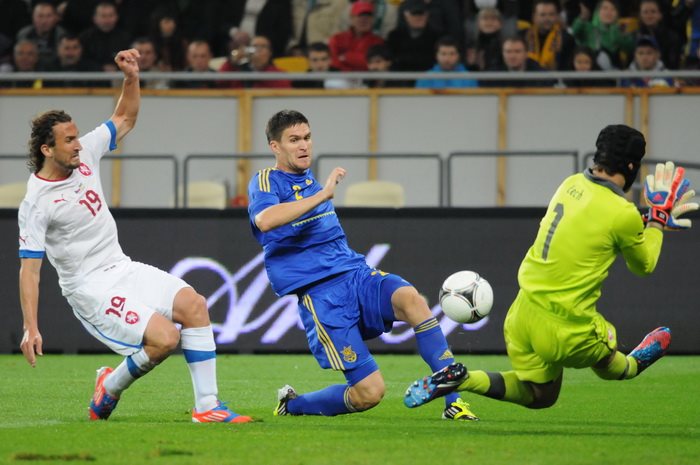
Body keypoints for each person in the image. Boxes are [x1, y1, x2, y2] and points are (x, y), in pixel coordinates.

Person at [17, 48, 252, 425]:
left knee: (194, 305)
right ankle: (110, 387)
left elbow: (124, 117)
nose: (78, 144)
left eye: (77, 136)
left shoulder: (85, 155)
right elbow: (30, 270)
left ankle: (207, 407)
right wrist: (31, 326)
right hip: (90, 289)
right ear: (47, 149)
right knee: (165, 340)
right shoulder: (37, 202)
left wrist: (131, 77)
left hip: (121, 267)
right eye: (69, 140)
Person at [403, 125, 698, 414]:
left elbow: (589, 227)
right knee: (612, 366)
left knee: (541, 395)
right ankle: (636, 362)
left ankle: (464, 378)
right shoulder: (623, 213)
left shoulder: (571, 184)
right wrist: (656, 219)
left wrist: (642, 222)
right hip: (567, 327)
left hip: (522, 316)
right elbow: (644, 265)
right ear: (632, 167)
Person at [248, 109, 479, 421]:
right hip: (322, 295)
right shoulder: (266, 180)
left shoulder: (309, 180)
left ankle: (454, 401)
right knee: (369, 394)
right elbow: (265, 220)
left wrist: (321, 193)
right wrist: (323, 195)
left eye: (307, 137)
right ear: (275, 146)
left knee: (412, 300)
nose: (304, 145)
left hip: (356, 274)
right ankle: (292, 405)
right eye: (294, 140)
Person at [328, 1, 385, 71]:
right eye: (360, 16)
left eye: (368, 16)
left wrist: (346, 57)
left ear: (373, 19)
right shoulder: (337, 39)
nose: (364, 20)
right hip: (341, 76)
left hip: (368, 77)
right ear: (351, 18)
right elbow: (333, 63)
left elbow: (375, 65)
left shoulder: (378, 42)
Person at [524, 0, 576, 71]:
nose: (547, 19)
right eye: (542, 15)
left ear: (557, 16)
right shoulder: (524, 36)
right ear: (534, 17)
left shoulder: (567, 39)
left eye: (551, 14)